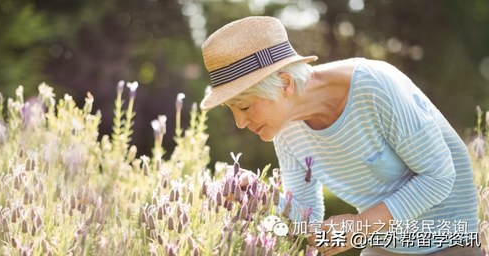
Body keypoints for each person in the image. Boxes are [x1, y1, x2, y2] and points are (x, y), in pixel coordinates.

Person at [199, 16, 481, 256]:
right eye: (232, 110)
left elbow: (440, 176)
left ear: (284, 83)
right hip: (383, 244)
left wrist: (360, 225)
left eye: (245, 106)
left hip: (448, 241)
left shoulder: (375, 86)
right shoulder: (284, 129)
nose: (239, 122)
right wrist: (262, 196)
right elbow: (307, 219)